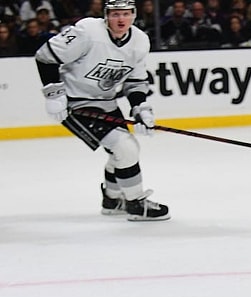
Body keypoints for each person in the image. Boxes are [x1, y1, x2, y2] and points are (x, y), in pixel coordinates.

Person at [34, 0, 170, 221]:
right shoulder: (87, 31)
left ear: (134, 16)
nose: (121, 19)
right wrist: (53, 93)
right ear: (106, 16)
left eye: (126, 14)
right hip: (75, 103)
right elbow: (45, 57)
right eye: (115, 14)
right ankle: (135, 203)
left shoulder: (140, 41)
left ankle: (112, 199)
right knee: (126, 148)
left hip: (106, 102)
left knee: (121, 152)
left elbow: (135, 81)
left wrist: (140, 107)